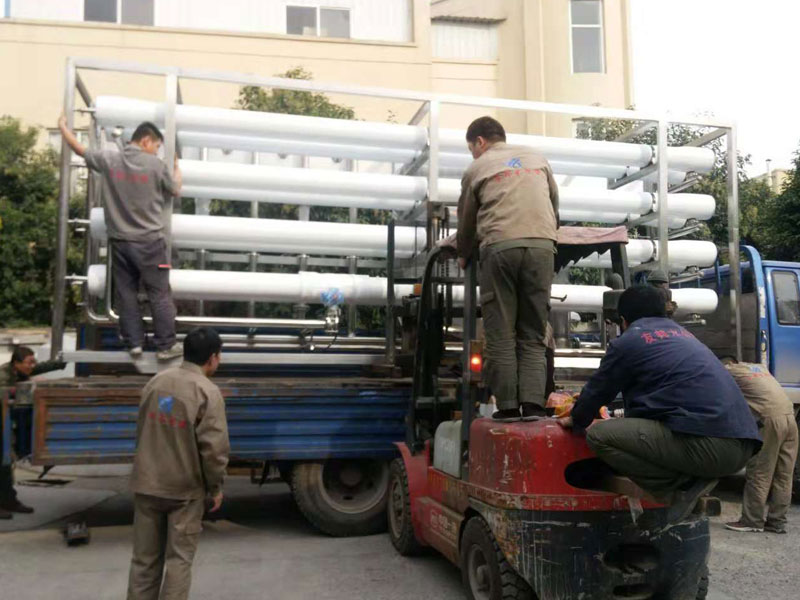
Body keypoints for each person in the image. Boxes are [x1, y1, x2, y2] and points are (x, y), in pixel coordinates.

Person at [560, 286, 761, 522]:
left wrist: (577, 418)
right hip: (743, 445)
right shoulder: (685, 336)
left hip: (711, 445)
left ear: (623, 320)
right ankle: (689, 479)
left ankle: (680, 486)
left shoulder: (628, 341)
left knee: (600, 436)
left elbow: (598, 391)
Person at [457, 116, 559, 421]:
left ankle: (509, 406)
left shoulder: (477, 167)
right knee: (533, 331)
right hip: (542, 246)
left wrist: (463, 254)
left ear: (479, 142)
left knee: (500, 332)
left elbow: (466, 221)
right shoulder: (538, 158)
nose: (473, 154)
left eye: (471, 149)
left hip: (500, 247)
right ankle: (534, 406)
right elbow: (554, 207)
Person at [58, 116, 183, 361]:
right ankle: (165, 346)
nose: (156, 151)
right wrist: (176, 168)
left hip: (120, 243)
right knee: (159, 293)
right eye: (156, 146)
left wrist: (63, 128)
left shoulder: (110, 159)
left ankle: (134, 344)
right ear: (146, 140)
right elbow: (176, 189)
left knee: (126, 294)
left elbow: (81, 150)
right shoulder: (156, 165)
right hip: (151, 243)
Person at [126, 327, 229, 600]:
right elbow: (214, 451)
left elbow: (142, 429)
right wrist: (215, 487)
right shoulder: (207, 391)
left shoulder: (156, 382)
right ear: (213, 358)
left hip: (147, 484)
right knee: (179, 562)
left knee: (144, 561)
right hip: (184, 492)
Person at [722, 358, 798, 534]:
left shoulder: (729, 371)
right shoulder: (758, 368)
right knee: (784, 474)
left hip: (770, 420)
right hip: (790, 417)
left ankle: (752, 520)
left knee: (760, 471)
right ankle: (777, 522)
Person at [0, 346, 67, 519]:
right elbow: (3, 394)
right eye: (29, 363)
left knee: (5, 466)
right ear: (16, 363)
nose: (32, 366)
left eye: (33, 362)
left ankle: (9, 501)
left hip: (5, 424)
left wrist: (62, 362)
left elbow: (40, 367)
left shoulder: (21, 370)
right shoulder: (4, 375)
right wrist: (26, 386)